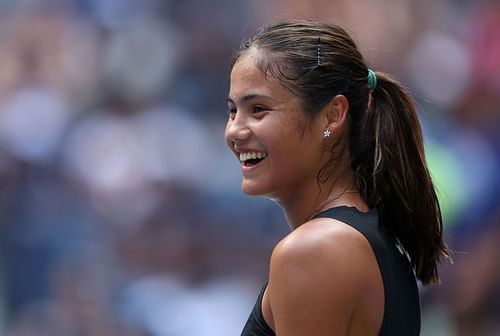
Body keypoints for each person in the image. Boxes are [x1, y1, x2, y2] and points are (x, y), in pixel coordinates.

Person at [224, 20, 450, 336]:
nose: (234, 130)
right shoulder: (361, 238)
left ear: (333, 115)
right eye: (233, 110)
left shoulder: (315, 250)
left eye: (258, 109)